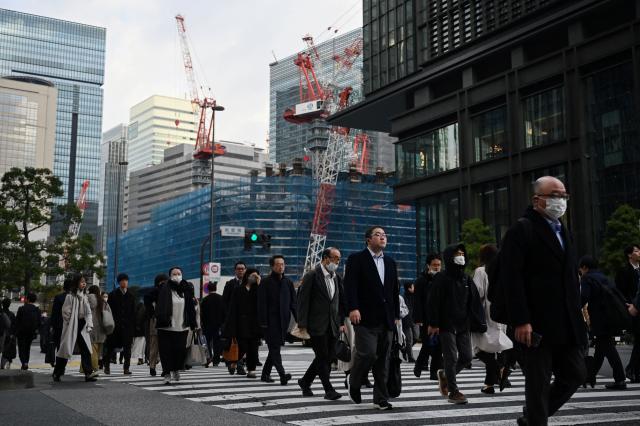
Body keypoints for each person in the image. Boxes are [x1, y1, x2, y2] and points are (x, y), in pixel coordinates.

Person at [498, 176, 586, 425]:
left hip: (565, 322)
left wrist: (578, 319)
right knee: (537, 383)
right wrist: (521, 320)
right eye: (555, 195)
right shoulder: (522, 229)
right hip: (535, 323)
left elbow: (569, 279)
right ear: (537, 199)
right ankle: (536, 419)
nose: (560, 200)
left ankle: (533, 417)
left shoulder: (563, 231)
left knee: (575, 374)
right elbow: (511, 279)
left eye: (564, 196)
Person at [345, 226, 400, 410]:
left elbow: (394, 292)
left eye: (384, 235)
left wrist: (397, 316)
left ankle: (380, 398)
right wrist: (353, 307)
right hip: (364, 317)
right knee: (367, 353)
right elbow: (350, 285)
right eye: (378, 234)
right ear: (368, 239)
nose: (382, 237)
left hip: (387, 319)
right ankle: (354, 381)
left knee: (383, 361)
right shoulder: (357, 259)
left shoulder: (391, 262)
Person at [297, 247, 346, 401]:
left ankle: (305, 381)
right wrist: (302, 324)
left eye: (339, 259)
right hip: (316, 325)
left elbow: (339, 302)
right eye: (335, 258)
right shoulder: (312, 275)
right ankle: (328, 389)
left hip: (332, 325)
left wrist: (341, 321)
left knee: (327, 357)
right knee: (323, 356)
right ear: (325, 258)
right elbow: (303, 301)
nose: (337, 262)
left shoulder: (336, 278)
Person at [428, 243, 474, 404]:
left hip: (463, 324)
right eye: (457, 254)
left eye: (462, 253)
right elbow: (433, 301)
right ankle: (453, 392)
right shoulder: (441, 277)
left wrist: (478, 323)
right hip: (446, 324)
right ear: (450, 257)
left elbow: (473, 302)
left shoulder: (466, 277)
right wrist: (433, 323)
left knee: (467, 356)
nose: (461, 256)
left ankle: (446, 375)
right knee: (451, 358)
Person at [579, 255, 627, 390]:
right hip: (611, 318)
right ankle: (589, 377)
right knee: (600, 350)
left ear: (584, 267)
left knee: (609, 349)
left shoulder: (587, 278)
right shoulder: (604, 277)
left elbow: (583, 297)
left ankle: (620, 379)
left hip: (600, 319)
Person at [471, 244, 513, 395]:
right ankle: (488, 384)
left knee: (478, 347)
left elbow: (477, 293)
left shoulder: (481, 271)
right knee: (494, 347)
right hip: (501, 314)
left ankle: (499, 369)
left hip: (485, 314)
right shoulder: (504, 270)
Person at [148, 267, 197, 384]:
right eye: (174, 274)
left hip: (182, 326)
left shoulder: (187, 289)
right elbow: (147, 298)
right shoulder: (163, 288)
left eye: (179, 273)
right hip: (165, 326)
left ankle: (176, 369)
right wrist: (153, 313)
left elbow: (190, 306)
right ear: (170, 276)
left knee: (180, 350)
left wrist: (193, 323)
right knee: (166, 351)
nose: (177, 275)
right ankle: (167, 373)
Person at [258, 255, 296, 385]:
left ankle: (265, 374)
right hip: (269, 322)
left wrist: (299, 321)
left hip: (283, 322)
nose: (281, 267)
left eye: (283, 264)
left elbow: (293, 304)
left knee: (274, 349)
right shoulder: (265, 282)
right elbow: (261, 304)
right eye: (278, 264)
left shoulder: (288, 282)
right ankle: (282, 374)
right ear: (272, 266)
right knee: (275, 349)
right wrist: (263, 323)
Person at [52, 273, 96, 382]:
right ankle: (57, 372)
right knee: (65, 349)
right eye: (81, 282)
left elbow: (88, 312)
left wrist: (89, 324)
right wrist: (70, 323)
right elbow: (65, 312)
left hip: (82, 325)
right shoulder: (70, 296)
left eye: (85, 282)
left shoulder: (85, 296)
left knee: (85, 349)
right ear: (76, 283)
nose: (84, 283)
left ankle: (88, 373)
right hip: (72, 325)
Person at [223, 268, 262, 378]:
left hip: (254, 324)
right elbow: (232, 308)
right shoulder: (238, 289)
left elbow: (262, 303)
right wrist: (230, 325)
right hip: (241, 323)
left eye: (256, 276)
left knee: (253, 348)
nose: (253, 278)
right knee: (242, 346)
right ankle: (234, 362)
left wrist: (259, 284)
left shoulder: (258, 290)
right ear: (247, 276)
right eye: (252, 275)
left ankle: (251, 369)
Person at [413, 253, 443, 380]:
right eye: (434, 265)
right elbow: (417, 301)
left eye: (439, 265)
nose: (437, 267)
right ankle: (419, 365)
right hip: (425, 319)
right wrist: (418, 319)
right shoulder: (421, 280)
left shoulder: (442, 279)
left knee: (438, 346)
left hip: (440, 318)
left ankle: (433, 372)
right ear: (428, 265)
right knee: (427, 344)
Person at [616, 244, 640, 382]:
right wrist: (628, 305)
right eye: (636, 251)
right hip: (632, 309)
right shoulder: (624, 271)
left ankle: (633, 369)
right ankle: (632, 369)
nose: (639, 253)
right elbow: (620, 291)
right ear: (629, 255)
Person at [104, 273, 136, 375]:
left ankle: (126, 368)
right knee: (110, 347)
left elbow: (133, 313)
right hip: (115, 326)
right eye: (122, 280)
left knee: (127, 349)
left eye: (126, 280)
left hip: (127, 327)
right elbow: (108, 311)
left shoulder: (131, 296)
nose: (124, 282)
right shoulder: (112, 295)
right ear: (119, 282)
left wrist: (133, 327)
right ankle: (107, 366)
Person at [144, 274, 168, 376]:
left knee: (154, 345)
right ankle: (165, 368)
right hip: (166, 322)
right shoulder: (167, 291)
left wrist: (151, 314)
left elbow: (147, 302)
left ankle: (152, 367)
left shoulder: (152, 292)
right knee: (165, 347)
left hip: (154, 321)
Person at [87, 285, 112, 374]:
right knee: (98, 351)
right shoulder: (104, 302)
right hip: (102, 329)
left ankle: (94, 368)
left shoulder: (87, 299)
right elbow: (109, 315)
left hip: (91, 328)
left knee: (91, 349)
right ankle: (92, 366)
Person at [200, 281, 225, 367]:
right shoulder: (221, 298)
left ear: (208, 289)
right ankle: (216, 360)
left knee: (207, 343)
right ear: (216, 288)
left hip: (207, 325)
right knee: (217, 343)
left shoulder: (204, 300)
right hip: (218, 325)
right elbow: (224, 313)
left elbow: (202, 314)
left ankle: (208, 357)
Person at [15, 292, 41, 370]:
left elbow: (17, 321)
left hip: (21, 332)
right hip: (31, 332)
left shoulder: (21, 309)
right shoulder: (37, 310)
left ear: (28, 299)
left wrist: (15, 332)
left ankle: (24, 362)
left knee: (21, 347)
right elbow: (39, 322)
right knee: (27, 347)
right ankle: (26, 362)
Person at [401, 282, 418, 363]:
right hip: (407, 321)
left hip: (415, 320)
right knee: (409, 339)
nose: (414, 288)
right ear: (409, 288)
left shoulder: (415, 296)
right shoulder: (403, 298)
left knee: (416, 337)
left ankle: (404, 350)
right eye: (412, 287)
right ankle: (410, 357)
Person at [1, 298, 16, 369]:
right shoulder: (11, 314)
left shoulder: (1, 313)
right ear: (9, 305)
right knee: (7, 351)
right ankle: (6, 364)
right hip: (8, 335)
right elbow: (13, 326)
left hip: (1, 334)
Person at [131, 301, 147, 365]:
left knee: (139, 347)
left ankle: (141, 359)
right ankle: (141, 359)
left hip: (137, 333)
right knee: (142, 347)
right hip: (143, 332)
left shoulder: (135, 312)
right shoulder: (144, 311)